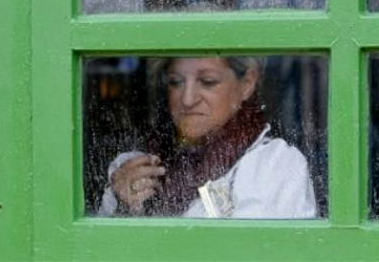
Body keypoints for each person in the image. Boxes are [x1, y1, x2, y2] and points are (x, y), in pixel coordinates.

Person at [98, 56, 317, 218]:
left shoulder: (274, 165)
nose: (188, 99)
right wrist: (123, 210)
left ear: (247, 84)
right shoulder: (132, 167)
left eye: (208, 81)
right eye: (176, 81)